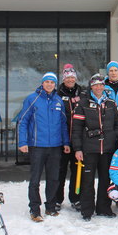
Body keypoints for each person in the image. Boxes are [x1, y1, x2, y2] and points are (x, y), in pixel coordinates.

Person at [18, 72, 70, 222]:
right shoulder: (32, 99)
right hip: (37, 146)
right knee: (35, 180)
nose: (49, 84)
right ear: (42, 83)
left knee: (54, 179)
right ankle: (35, 209)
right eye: (46, 82)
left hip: (55, 146)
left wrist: (65, 143)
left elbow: (63, 125)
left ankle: (51, 206)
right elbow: (23, 121)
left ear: (55, 84)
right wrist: (23, 142)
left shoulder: (58, 100)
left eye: (52, 82)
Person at [71, 73, 118, 221]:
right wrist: (78, 148)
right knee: (87, 181)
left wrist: (114, 136)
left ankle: (104, 208)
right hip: (89, 149)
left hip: (107, 149)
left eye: (101, 84)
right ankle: (87, 210)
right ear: (91, 87)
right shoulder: (82, 104)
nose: (99, 87)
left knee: (105, 180)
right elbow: (76, 128)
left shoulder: (111, 103)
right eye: (95, 85)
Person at [54, 63, 83, 212]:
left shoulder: (82, 92)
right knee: (60, 171)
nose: (70, 80)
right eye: (67, 77)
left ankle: (76, 198)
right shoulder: (57, 93)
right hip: (61, 140)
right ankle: (57, 199)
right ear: (64, 79)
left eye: (72, 77)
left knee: (77, 170)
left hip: (78, 140)